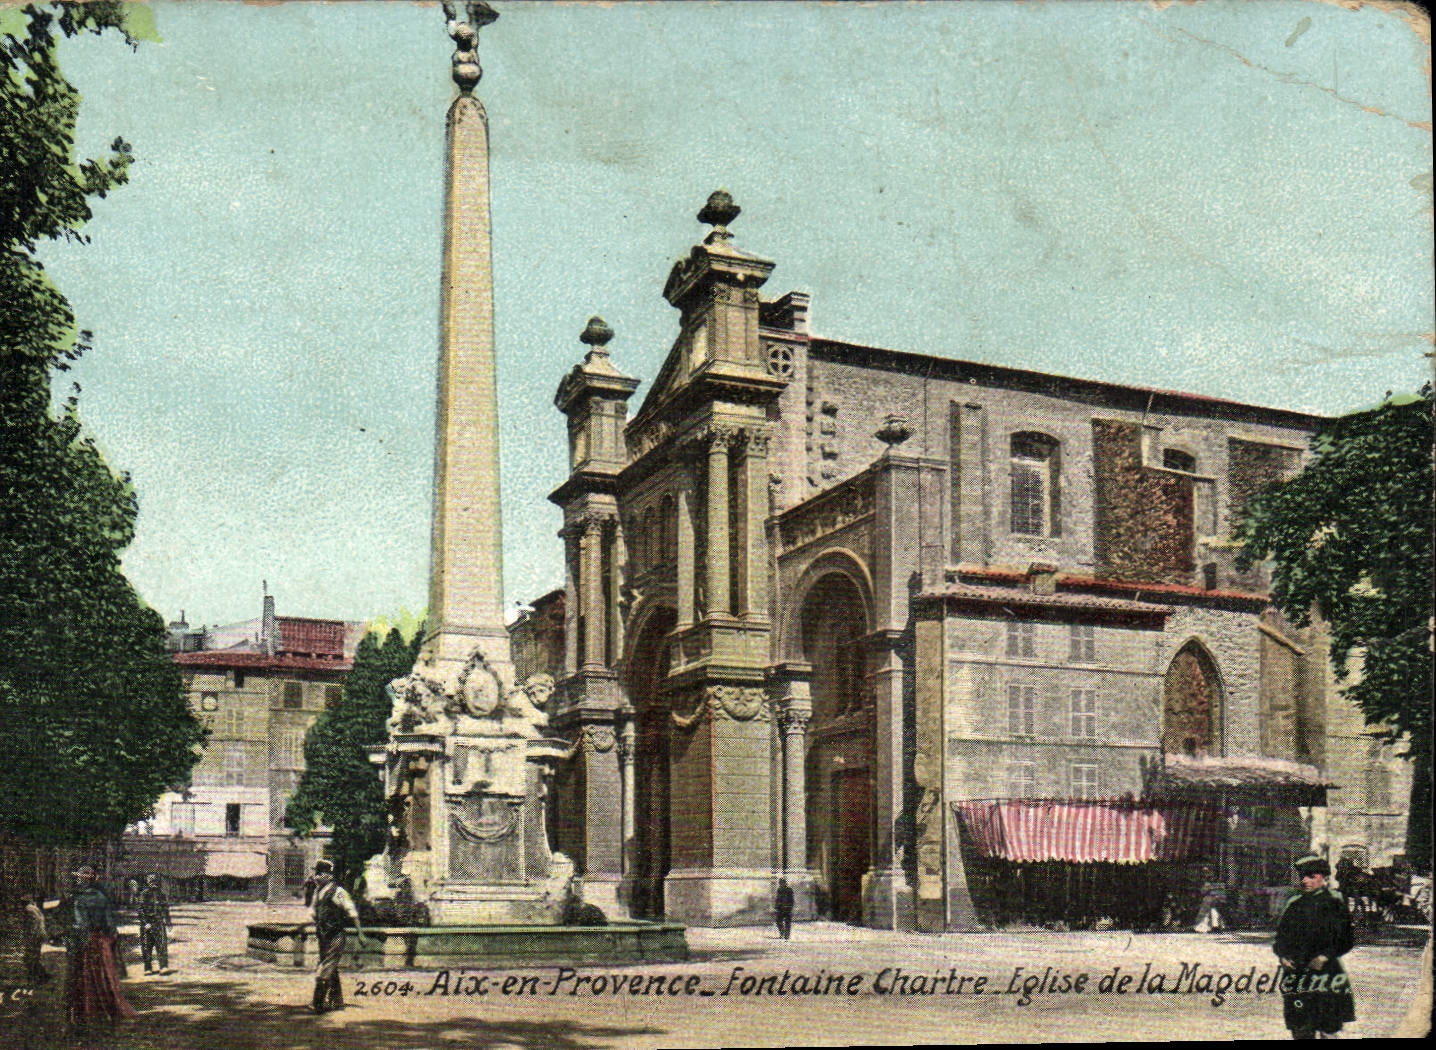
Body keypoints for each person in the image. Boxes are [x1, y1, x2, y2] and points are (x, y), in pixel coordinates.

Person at [1273, 854, 1356, 1040]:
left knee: (1328, 1027)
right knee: (1301, 1027)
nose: (1305, 881)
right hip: (1296, 974)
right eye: (1303, 876)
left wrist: (1325, 957)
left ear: (1324, 878)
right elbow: (1281, 938)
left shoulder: (1335, 902)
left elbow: (1346, 939)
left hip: (1326, 974)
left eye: (1311, 876)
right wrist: (1283, 956)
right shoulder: (1294, 903)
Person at [64, 864, 135, 1026]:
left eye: (78, 878)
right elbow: (110, 925)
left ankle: (86, 1012)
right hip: (101, 942)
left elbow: (82, 925)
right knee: (104, 976)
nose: (77, 881)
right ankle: (108, 1009)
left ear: (82, 880)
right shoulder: (102, 897)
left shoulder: (79, 900)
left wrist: (69, 932)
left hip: (86, 942)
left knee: (84, 977)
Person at [309, 860, 367, 1014]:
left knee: (326, 967)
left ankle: (318, 1002)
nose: (316, 876)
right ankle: (337, 1000)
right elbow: (314, 913)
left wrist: (360, 933)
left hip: (336, 935)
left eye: (320, 873)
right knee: (330, 967)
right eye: (316, 873)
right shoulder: (317, 891)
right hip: (323, 935)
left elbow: (351, 911)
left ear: (328, 875)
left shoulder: (338, 891)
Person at [137, 873, 172, 974]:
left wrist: (168, 922)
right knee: (146, 945)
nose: (153, 883)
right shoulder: (144, 894)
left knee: (161, 945)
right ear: (148, 882)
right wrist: (145, 922)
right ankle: (148, 967)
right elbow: (140, 910)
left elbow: (165, 908)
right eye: (151, 881)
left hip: (159, 923)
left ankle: (163, 966)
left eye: (155, 881)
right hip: (147, 924)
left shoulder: (161, 895)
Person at [20, 892, 49, 983]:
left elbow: (33, 924)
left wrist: (29, 936)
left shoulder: (28, 909)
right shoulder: (35, 908)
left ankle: (38, 976)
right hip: (39, 934)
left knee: (30, 956)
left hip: (34, 936)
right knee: (34, 956)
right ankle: (39, 975)